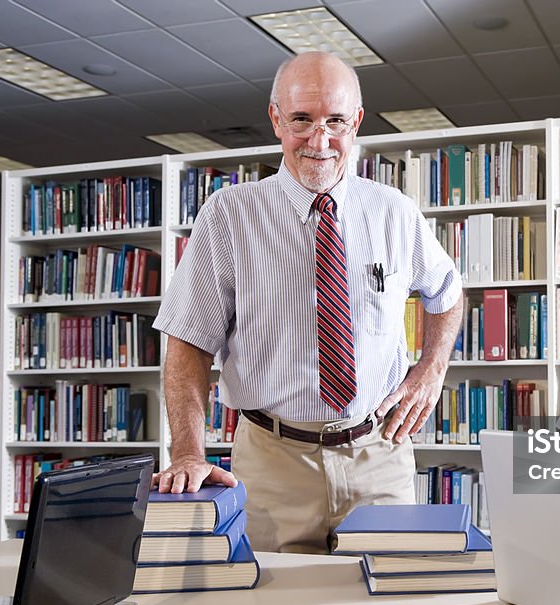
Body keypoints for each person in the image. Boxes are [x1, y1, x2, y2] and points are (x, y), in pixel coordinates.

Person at [151, 51, 463, 554]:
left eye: (335, 121)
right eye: (301, 120)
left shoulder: (395, 213)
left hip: (379, 456)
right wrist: (187, 453)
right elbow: (187, 344)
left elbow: (447, 295)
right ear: (276, 118)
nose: (319, 141)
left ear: (356, 122)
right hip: (274, 462)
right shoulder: (228, 216)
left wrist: (430, 371)